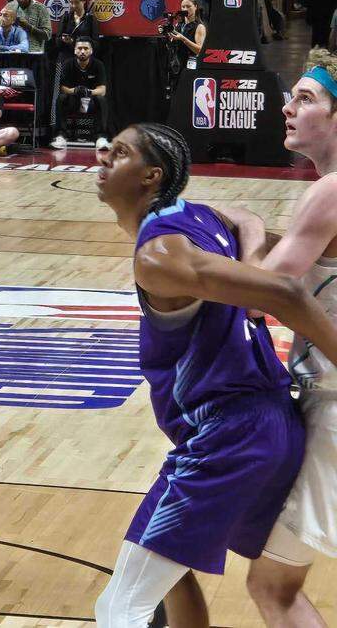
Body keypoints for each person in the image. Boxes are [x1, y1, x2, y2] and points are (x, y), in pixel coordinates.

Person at [91, 123, 337, 628]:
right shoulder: (195, 215)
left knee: (121, 606)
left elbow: (287, 295)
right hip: (267, 426)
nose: (100, 157)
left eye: (117, 153)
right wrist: (248, 255)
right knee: (173, 573)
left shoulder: (158, 256)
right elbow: (246, 216)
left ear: (150, 176)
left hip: (228, 436)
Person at [221, 50, 337, 621]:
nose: (287, 107)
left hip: (336, 407)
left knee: (273, 587)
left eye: (306, 98)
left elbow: (263, 290)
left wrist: (243, 228)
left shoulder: (329, 191)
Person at [50, 38, 107, 150]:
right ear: (75, 50)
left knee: (102, 100)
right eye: (79, 48)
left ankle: (101, 137)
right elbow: (63, 88)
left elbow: (102, 90)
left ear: (91, 51)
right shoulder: (67, 64)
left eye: (86, 49)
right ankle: (61, 136)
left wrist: (89, 91)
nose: (82, 51)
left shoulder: (98, 65)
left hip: (90, 101)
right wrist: (75, 90)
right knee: (61, 98)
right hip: (73, 100)